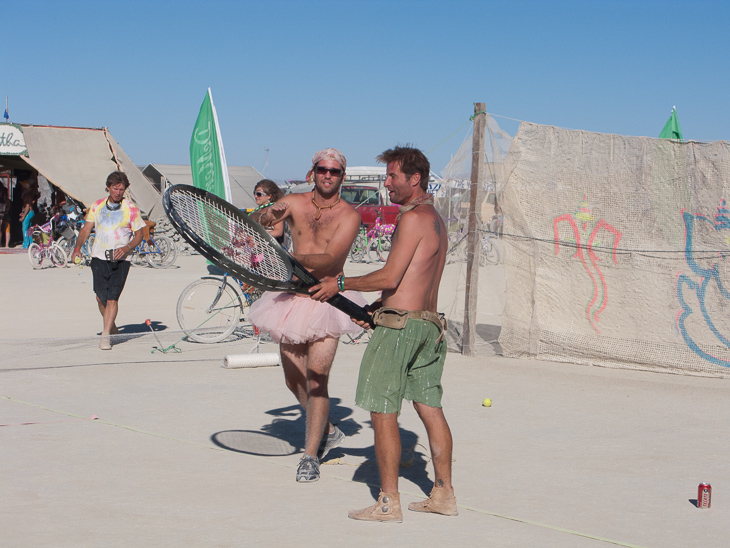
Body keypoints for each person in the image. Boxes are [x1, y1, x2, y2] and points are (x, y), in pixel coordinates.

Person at [310, 146, 456, 522]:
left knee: (382, 411)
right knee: (430, 407)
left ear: (415, 179)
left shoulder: (412, 218)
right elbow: (410, 281)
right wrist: (378, 307)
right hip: (429, 325)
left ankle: (388, 502)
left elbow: (390, 275)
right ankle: (444, 494)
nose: (387, 183)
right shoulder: (436, 219)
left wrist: (340, 282)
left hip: (401, 330)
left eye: (392, 177)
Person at [248, 148, 366, 483]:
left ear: (343, 176)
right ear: (312, 172)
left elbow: (330, 261)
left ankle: (310, 455)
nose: (328, 175)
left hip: (328, 299)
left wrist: (289, 260)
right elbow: (261, 222)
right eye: (322, 169)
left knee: (317, 378)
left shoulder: (349, 215)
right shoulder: (294, 203)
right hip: (290, 297)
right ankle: (327, 428)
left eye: (335, 171)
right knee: (293, 378)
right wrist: (266, 217)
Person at [70, 171, 145, 350]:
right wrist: (77, 248)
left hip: (121, 259)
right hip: (98, 257)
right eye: (115, 188)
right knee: (100, 298)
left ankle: (105, 335)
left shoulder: (131, 208)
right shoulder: (97, 206)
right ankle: (112, 327)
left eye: (121, 189)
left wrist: (126, 248)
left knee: (112, 298)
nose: (118, 192)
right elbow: (86, 229)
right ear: (108, 187)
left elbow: (139, 234)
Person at [249, 179, 285, 244]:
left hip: (271, 249)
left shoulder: (275, 208)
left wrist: (258, 237)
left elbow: (278, 231)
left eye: (259, 194)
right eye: (254, 193)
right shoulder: (257, 211)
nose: (255, 196)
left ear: (269, 196)